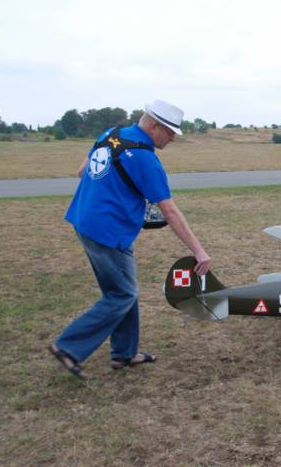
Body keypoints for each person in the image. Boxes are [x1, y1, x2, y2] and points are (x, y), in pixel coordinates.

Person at [49, 99, 211, 379]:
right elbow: (170, 211)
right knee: (123, 294)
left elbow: (82, 171)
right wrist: (199, 251)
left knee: (122, 291)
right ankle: (68, 346)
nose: (172, 138)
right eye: (170, 132)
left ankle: (124, 353)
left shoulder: (111, 134)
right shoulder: (145, 158)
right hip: (108, 232)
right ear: (154, 126)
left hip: (83, 220)